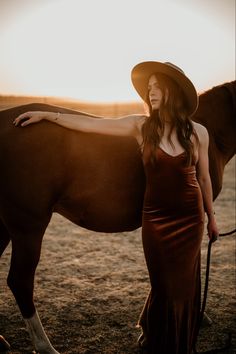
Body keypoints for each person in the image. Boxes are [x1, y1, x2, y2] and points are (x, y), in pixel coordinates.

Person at [13, 61, 219, 354]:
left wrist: (211, 218)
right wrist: (48, 115)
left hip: (190, 218)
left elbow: (204, 177)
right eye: (148, 89)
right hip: (156, 219)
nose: (151, 93)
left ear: (172, 90)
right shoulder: (141, 126)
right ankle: (158, 338)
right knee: (163, 285)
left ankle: (176, 344)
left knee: (184, 286)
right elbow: (93, 125)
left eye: (156, 87)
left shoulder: (198, 132)